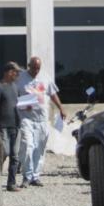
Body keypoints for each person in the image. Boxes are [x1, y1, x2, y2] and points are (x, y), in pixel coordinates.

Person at [21, 54, 65, 187]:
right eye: (33, 68)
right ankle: (26, 176)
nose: (36, 71)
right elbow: (14, 95)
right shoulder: (20, 78)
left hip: (42, 119)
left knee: (39, 149)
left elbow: (52, 94)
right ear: (29, 66)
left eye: (38, 68)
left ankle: (35, 176)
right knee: (28, 146)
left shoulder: (45, 77)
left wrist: (61, 108)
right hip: (26, 118)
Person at [0, 62, 26, 192]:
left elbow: (19, 104)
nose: (17, 74)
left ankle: (11, 183)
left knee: (15, 156)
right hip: (3, 126)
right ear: (8, 72)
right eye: (15, 72)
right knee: (4, 152)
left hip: (16, 126)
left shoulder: (15, 87)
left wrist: (26, 107)